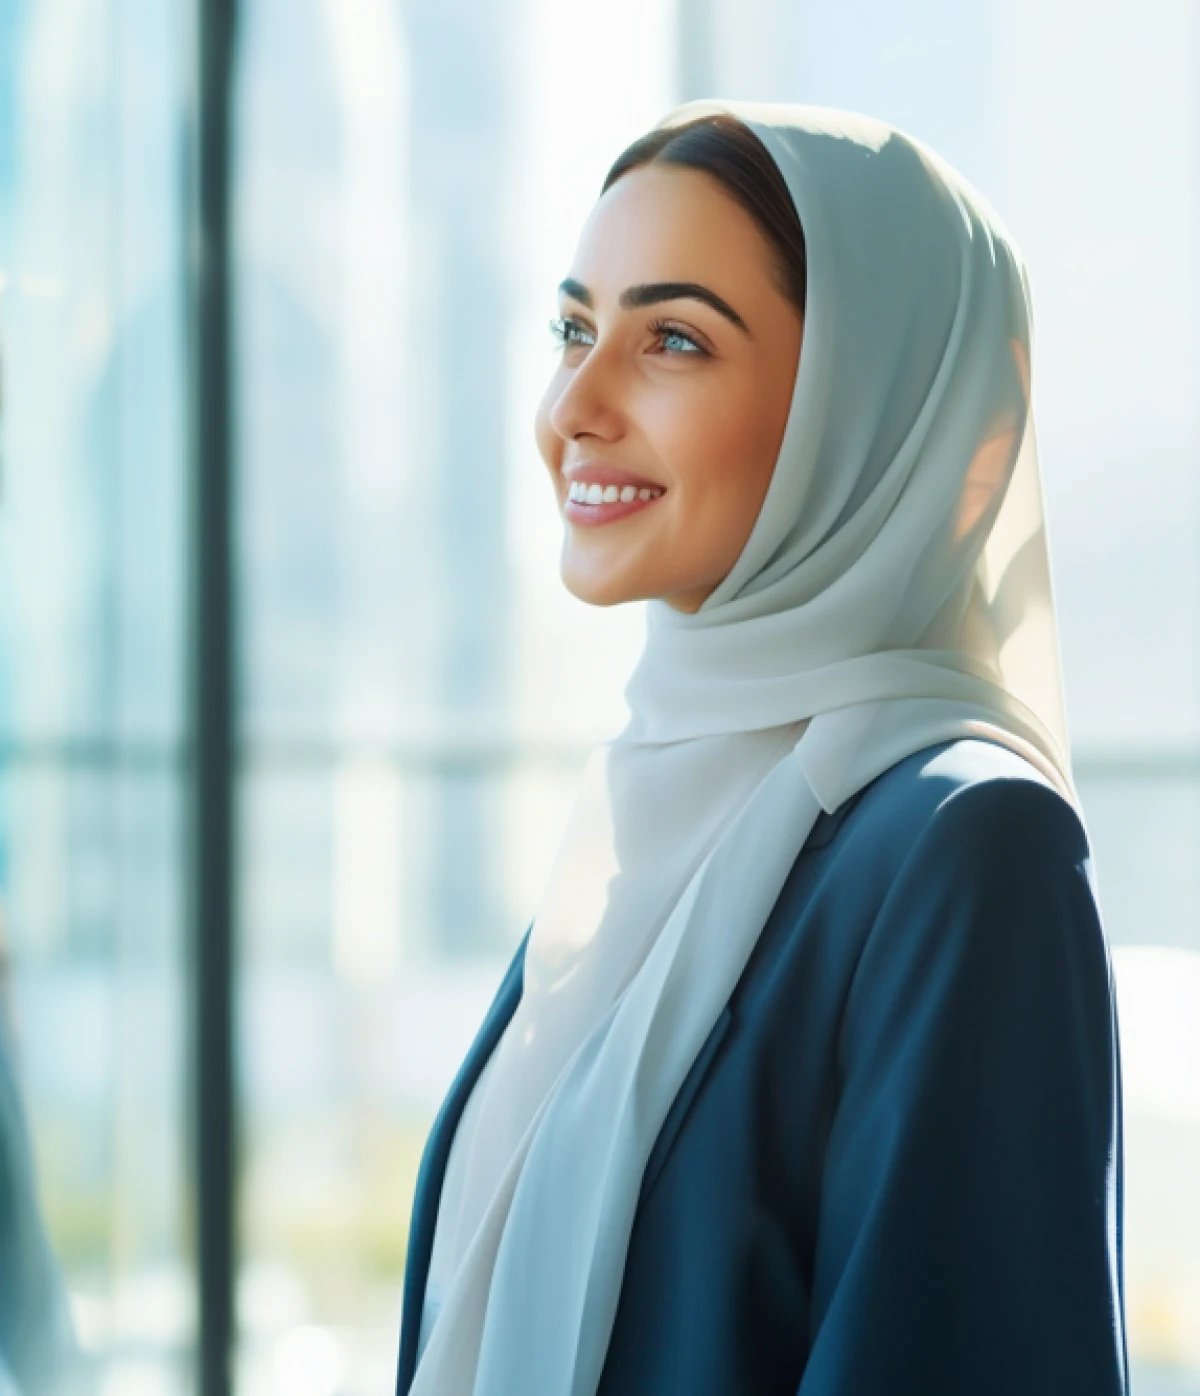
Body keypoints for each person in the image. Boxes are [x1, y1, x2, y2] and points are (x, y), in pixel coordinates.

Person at [394, 99, 1129, 1395]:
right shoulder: (657, 809)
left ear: (874, 405)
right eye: (574, 330)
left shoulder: (968, 847)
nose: (575, 405)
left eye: (672, 339)